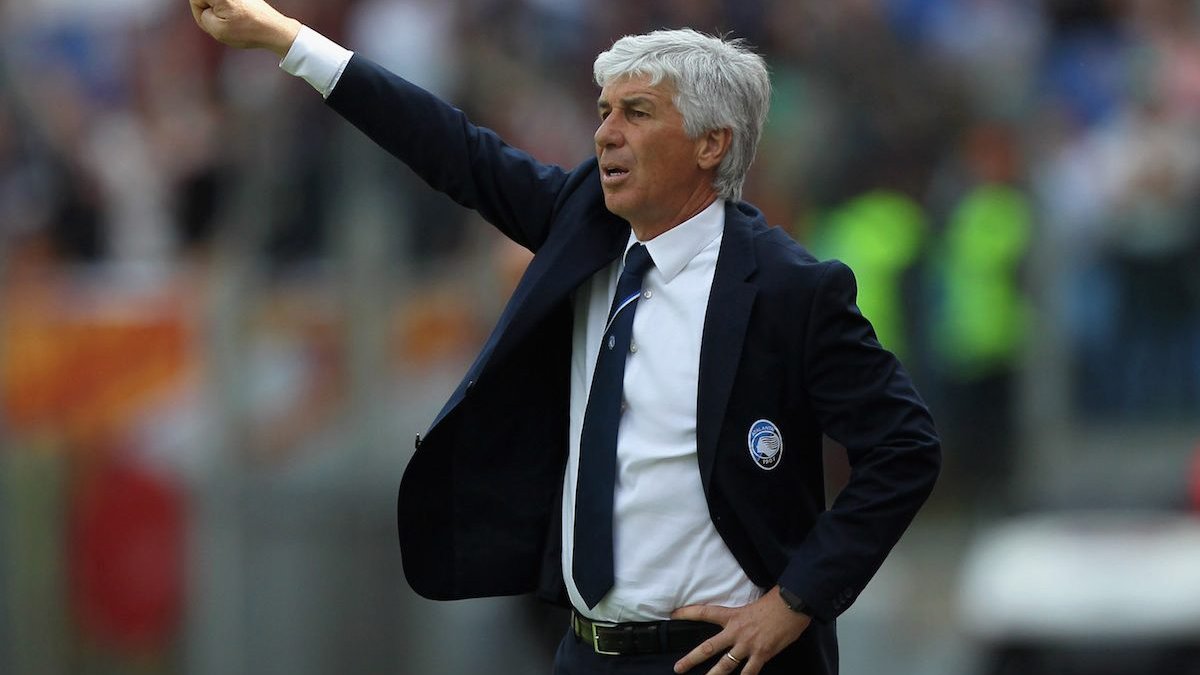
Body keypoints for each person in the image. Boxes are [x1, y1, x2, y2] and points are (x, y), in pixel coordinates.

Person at [189, 2, 942, 674]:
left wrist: (794, 601)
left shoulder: (789, 288)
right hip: (584, 651)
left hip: (717, 657)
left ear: (712, 144)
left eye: (637, 113)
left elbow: (904, 447)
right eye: (605, 110)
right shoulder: (585, 225)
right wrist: (286, 38)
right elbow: (450, 146)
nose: (606, 133)